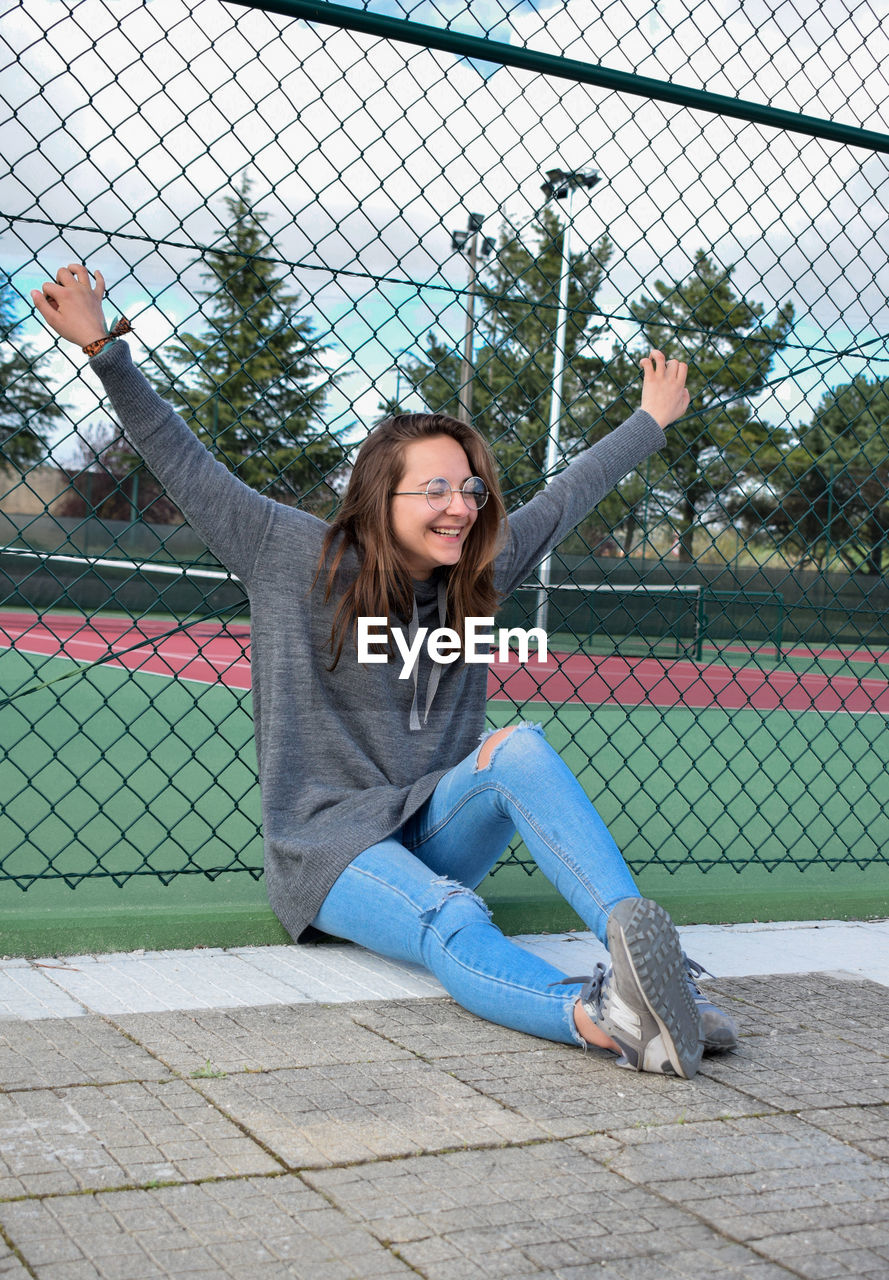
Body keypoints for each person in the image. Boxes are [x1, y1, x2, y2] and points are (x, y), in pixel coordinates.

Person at [33, 264, 738, 1078]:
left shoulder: (476, 572)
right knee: (450, 915)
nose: (460, 506)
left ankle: (648, 975)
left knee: (519, 750)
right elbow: (182, 460)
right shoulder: (289, 552)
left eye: (470, 488)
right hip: (329, 851)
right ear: (379, 499)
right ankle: (602, 1020)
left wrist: (649, 422)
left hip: (427, 825)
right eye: (432, 489)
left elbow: (569, 493)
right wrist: (101, 347)